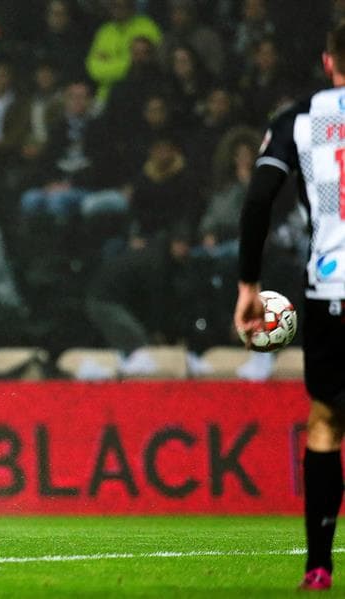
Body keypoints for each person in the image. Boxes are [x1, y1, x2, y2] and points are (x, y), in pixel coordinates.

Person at [234, 22, 345, 591]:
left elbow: (258, 199)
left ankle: (319, 566)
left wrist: (248, 284)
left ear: (330, 62)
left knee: (326, 421)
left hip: (331, 288)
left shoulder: (300, 118)